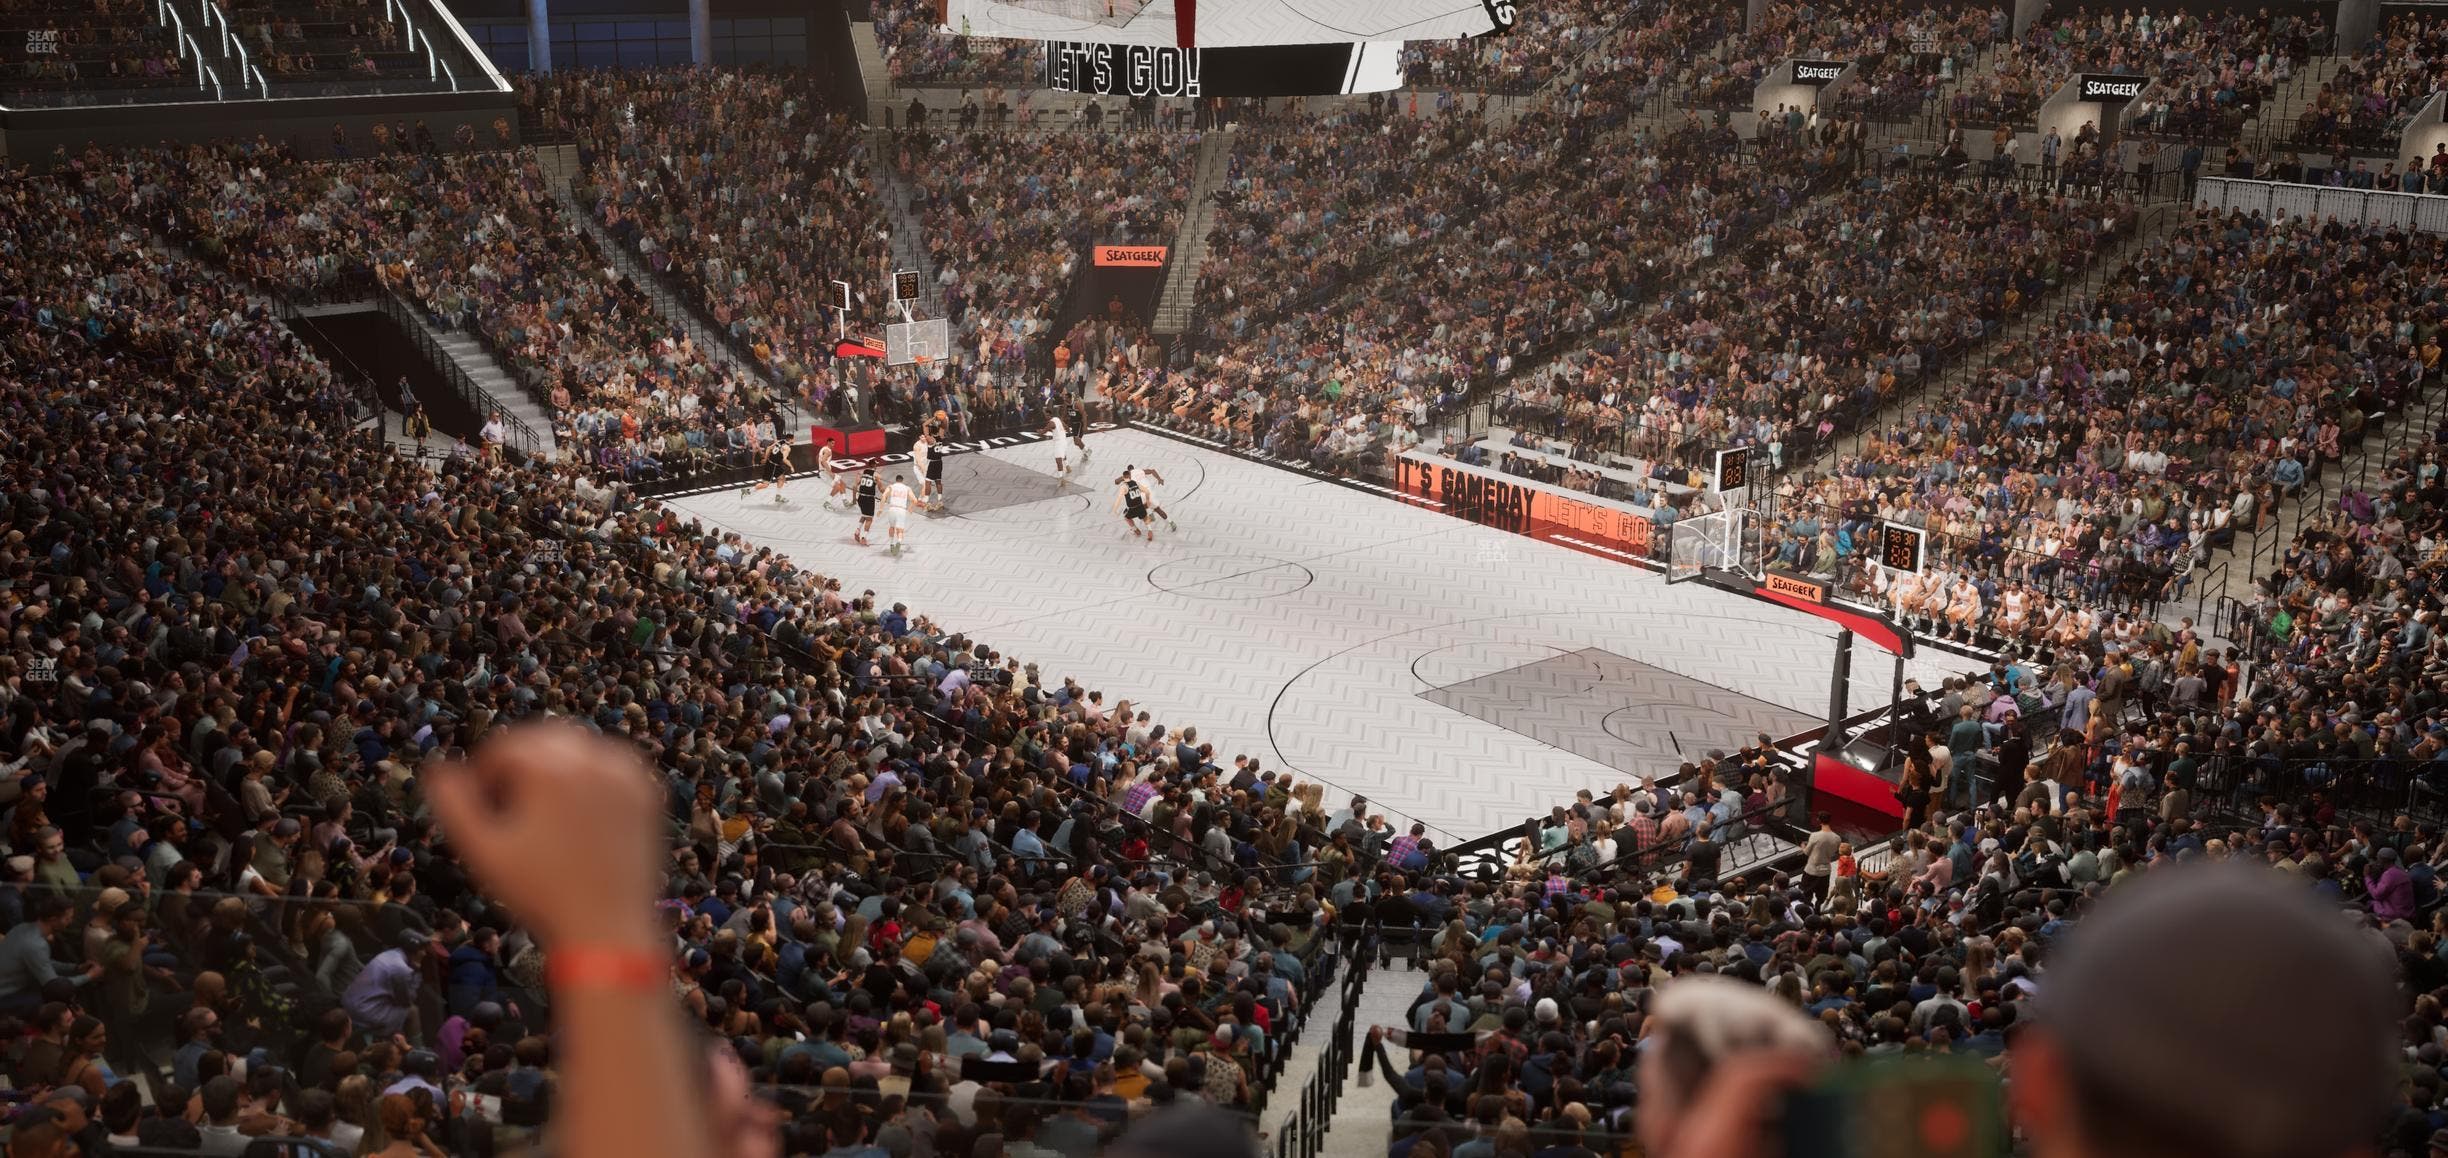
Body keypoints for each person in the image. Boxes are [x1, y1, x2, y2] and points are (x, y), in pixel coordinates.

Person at [745, 437, 791, 504]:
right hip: (772, 466)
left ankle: (778, 497)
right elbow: (783, 458)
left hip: (775, 465)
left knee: (781, 478)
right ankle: (747, 491)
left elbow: (769, 448)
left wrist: (766, 459)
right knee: (765, 484)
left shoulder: (780, 442)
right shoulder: (784, 445)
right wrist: (791, 466)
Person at [883, 472, 917, 555]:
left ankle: (891, 543)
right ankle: (899, 541)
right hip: (901, 510)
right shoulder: (907, 488)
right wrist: (911, 508)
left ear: (896, 480)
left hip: (892, 508)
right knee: (900, 530)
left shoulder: (891, 486)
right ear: (902, 481)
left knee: (891, 527)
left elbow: (884, 496)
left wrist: (880, 508)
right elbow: (915, 500)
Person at [1117, 472, 1155, 542]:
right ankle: (1150, 531)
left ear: (1123, 477)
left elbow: (1119, 497)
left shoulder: (1124, 486)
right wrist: (1147, 501)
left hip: (1132, 508)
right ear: (1130, 476)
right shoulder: (1135, 483)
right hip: (1140, 506)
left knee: (1126, 517)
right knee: (1145, 517)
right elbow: (1147, 491)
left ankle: (1136, 530)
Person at [853, 466, 880, 547]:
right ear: (874, 467)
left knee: (864, 515)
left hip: (860, 497)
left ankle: (857, 532)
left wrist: (854, 498)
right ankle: (864, 538)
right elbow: (881, 488)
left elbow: (854, 486)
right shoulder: (876, 476)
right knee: (869, 519)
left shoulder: (862, 473)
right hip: (868, 499)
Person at [1050, 413, 1071, 487]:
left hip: (1059, 442)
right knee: (1063, 454)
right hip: (1064, 441)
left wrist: (1040, 432)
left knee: (1058, 460)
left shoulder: (1052, 422)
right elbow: (1067, 428)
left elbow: (1044, 431)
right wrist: (1068, 431)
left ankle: (1061, 478)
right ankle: (1068, 467)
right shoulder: (1059, 420)